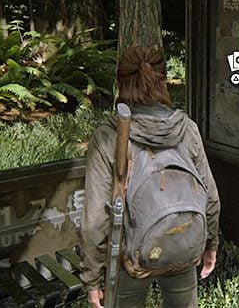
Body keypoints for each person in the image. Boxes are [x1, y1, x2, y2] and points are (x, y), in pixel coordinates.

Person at [80, 45, 221, 308]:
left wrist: (92, 278)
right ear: (163, 80)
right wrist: (210, 244)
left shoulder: (109, 137)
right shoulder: (186, 129)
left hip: (129, 257)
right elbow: (210, 195)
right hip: (183, 243)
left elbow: (95, 219)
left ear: (121, 82)